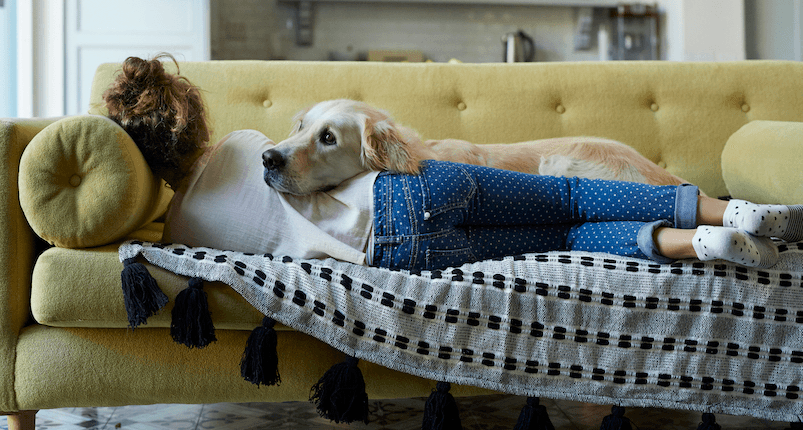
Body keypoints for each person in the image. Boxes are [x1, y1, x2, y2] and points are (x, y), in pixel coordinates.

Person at [103, 55, 803, 271]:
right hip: (426, 188)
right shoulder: (250, 147)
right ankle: (723, 212)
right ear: (192, 114)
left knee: (565, 239)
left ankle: (699, 244)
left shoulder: (185, 230)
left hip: (406, 258)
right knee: (569, 200)